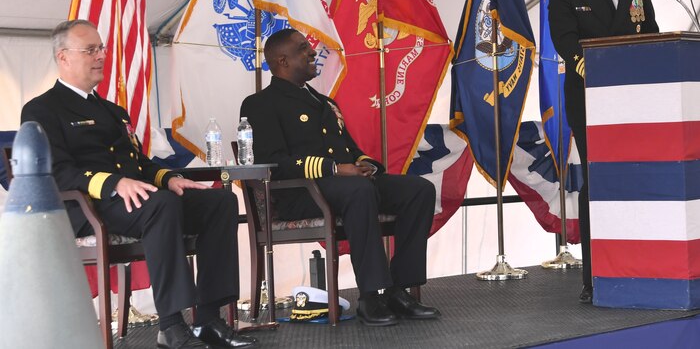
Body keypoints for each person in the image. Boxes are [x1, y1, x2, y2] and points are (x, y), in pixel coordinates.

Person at [21, 20, 257, 349]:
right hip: (90, 206)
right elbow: (57, 172)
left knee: (220, 202)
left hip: (138, 203)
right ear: (63, 57)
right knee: (162, 205)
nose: (101, 56)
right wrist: (115, 183)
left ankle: (208, 319)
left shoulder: (111, 111)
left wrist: (170, 177)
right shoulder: (42, 109)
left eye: (101, 48)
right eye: (90, 50)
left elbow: (139, 163)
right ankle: (172, 325)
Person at [240, 28, 441, 326]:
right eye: (302, 48)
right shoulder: (259, 104)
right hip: (301, 194)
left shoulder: (324, 102)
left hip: (348, 185)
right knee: (359, 191)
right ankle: (372, 296)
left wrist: (365, 164)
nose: (311, 52)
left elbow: (350, 149)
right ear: (282, 60)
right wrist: (333, 169)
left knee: (419, 190)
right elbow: (274, 163)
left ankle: (400, 290)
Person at [548, 0, 659, 303]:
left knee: (641, 175)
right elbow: (565, 41)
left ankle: (644, 262)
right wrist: (596, 68)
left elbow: (651, 30)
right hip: (590, 96)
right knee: (599, 178)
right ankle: (596, 276)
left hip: (638, 98)